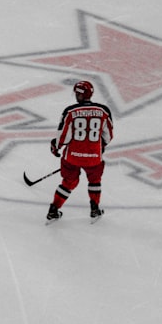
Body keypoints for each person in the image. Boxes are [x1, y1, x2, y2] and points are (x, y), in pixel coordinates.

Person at [46, 81, 113, 223]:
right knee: (95, 181)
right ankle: (94, 208)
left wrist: (55, 147)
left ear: (80, 94)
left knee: (68, 182)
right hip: (94, 157)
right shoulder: (103, 111)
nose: (76, 95)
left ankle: (54, 209)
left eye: (77, 93)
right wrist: (101, 146)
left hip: (72, 157)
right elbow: (108, 135)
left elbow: (63, 136)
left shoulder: (70, 111)